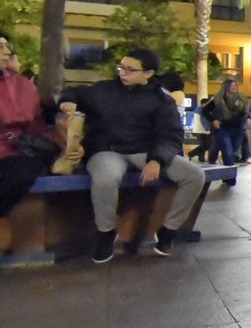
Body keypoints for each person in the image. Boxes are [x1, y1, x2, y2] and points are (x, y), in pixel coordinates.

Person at [57, 48, 207, 263]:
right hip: (107, 150)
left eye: (130, 69)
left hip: (145, 151)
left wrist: (157, 160)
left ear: (148, 73)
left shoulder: (161, 100)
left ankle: (169, 229)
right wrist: (66, 101)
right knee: (105, 178)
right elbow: (74, 92)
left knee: (194, 175)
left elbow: (170, 134)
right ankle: (106, 233)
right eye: (121, 68)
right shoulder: (104, 90)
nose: (122, 73)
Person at [0, 32, 57, 218]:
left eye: (7, 46)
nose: (7, 52)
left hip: (15, 150)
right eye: (1, 47)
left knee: (22, 172)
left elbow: (33, 122)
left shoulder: (22, 85)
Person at [207, 77, 249, 171]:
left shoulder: (241, 99)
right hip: (224, 128)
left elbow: (245, 112)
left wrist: (248, 118)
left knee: (233, 153)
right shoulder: (218, 99)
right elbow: (205, 110)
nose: (234, 87)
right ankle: (230, 179)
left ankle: (228, 174)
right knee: (228, 153)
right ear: (226, 87)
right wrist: (213, 120)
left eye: (235, 85)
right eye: (231, 85)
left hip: (238, 128)